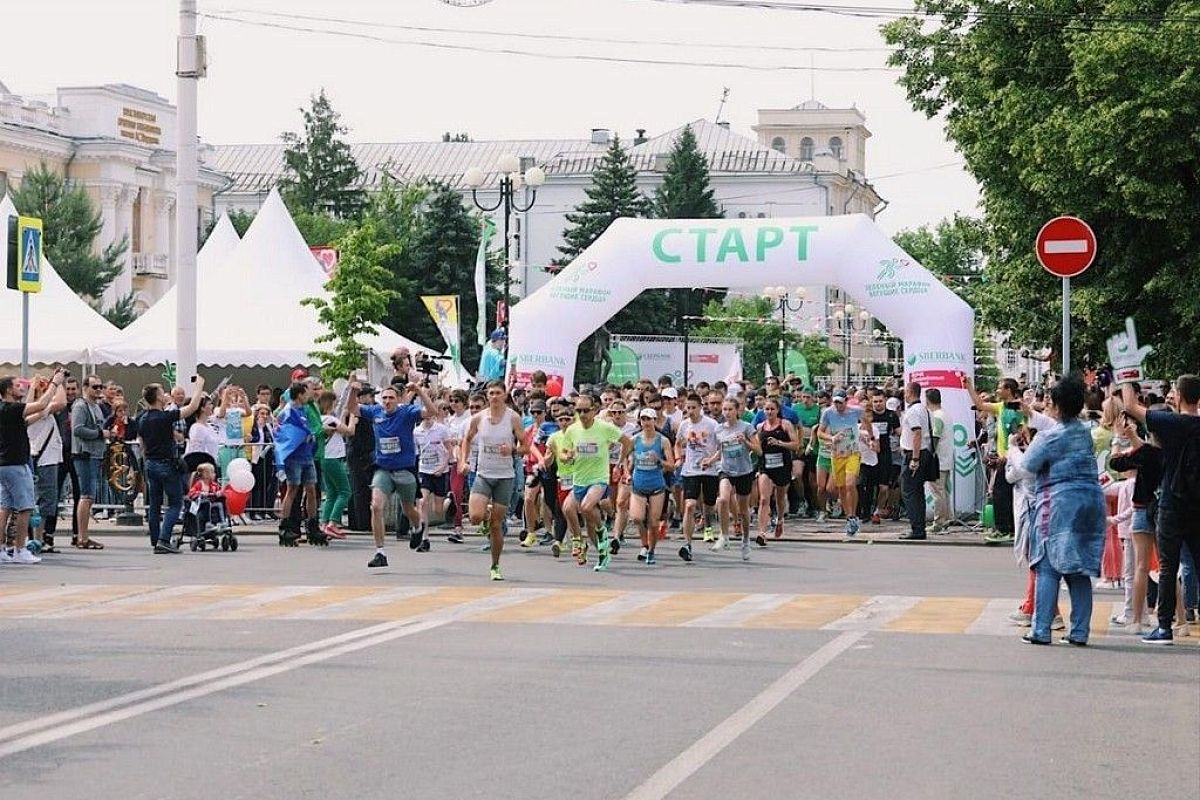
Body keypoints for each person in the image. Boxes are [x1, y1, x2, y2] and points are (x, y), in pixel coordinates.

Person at [1020, 373, 1106, 646]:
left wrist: (1015, 449)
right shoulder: (1086, 431)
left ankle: (1041, 629)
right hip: (1091, 501)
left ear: (1056, 405)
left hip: (1058, 504)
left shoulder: (1050, 436)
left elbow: (1028, 466)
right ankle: (1080, 631)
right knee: (1078, 570)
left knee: (1048, 567)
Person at [1120, 374, 1200, 644]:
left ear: (1177, 395)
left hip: (1171, 504)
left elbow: (1130, 405)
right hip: (1197, 506)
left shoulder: (1170, 423)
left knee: (1168, 566)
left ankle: (1164, 627)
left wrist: (1126, 372)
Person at [350, 382, 434, 567]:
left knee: (408, 510)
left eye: (391, 398)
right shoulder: (375, 412)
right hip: (383, 468)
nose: (387, 401)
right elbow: (352, 408)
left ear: (398, 400)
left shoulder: (407, 412)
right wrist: (353, 391)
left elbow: (431, 411)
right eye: (385, 398)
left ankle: (418, 526)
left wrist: (419, 391)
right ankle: (380, 552)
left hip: (404, 469)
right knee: (376, 507)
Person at [459, 381, 526, 580]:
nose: (494, 396)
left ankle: (495, 565)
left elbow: (526, 447)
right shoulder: (479, 418)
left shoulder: (513, 418)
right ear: (487, 396)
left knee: (497, 525)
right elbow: (467, 440)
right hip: (484, 473)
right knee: (475, 517)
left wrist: (512, 450)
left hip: (505, 477)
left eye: (498, 393)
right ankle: (485, 513)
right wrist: (463, 461)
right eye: (491, 393)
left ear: (505, 395)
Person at [558, 392, 629, 572]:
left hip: (598, 479)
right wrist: (567, 457)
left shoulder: (604, 427)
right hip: (579, 479)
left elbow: (627, 442)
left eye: (585, 411)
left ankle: (602, 531)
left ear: (594, 410)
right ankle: (580, 541)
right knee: (567, 508)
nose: (581, 415)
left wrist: (620, 463)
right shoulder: (573, 430)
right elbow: (564, 452)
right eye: (578, 411)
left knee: (587, 507)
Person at [1, 372, 66, 564]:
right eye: (17, 385)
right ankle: (21, 549)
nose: (21, 387)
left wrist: (42, 412)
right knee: (25, 508)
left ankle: (2, 549)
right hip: (16, 464)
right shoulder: (12, 409)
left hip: (4, 464)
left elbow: (29, 418)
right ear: (8, 390)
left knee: (5, 507)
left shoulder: (6, 409)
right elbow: (41, 404)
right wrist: (55, 382)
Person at [137, 378, 206, 553]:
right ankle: (163, 539)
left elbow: (142, 443)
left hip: (150, 463)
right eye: (162, 392)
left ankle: (156, 540)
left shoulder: (143, 417)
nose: (165, 394)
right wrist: (198, 387)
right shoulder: (163, 417)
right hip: (166, 464)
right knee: (176, 503)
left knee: (155, 504)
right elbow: (191, 408)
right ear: (158, 398)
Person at [962, 376, 1024, 543]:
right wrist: (969, 387)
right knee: (1003, 494)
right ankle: (1009, 529)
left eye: (1000, 387)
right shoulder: (1000, 407)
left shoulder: (1018, 409)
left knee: (1001, 494)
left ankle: (1005, 529)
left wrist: (1011, 452)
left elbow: (1023, 432)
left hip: (1012, 459)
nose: (997, 390)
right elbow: (981, 405)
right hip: (1004, 458)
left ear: (1008, 390)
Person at [710, 397, 762, 560]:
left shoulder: (746, 427)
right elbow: (720, 451)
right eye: (724, 409)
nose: (727, 413)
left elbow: (758, 450)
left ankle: (745, 541)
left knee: (743, 511)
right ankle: (724, 535)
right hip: (726, 469)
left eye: (730, 409)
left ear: (737, 410)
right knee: (723, 500)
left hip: (744, 471)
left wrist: (745, 441)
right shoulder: (718, 429)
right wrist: (710, 461)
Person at [274, 382, 321, 546]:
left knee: (311, 490)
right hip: (294, 457)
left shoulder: (302, 410)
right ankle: (285, 526)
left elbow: (306, 428)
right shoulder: (288, 411)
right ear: (300, 394)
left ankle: (312, 524)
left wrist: (311, 436)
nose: (309, 395)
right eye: (307, 392)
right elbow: (285, 433)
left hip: (306, 455)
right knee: (292, 489)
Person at [675, 393, 721, 562]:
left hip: (709, 470)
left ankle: (708, 523)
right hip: (690, 470)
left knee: (709, 504)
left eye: (694, 407)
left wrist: (711, 460)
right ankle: (687, 543)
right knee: (689, 505)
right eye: (688, 408)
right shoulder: (684, 425)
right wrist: (679, 457)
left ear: (701, 407)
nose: (691, 411)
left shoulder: (711, 424)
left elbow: (721, 447)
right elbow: (678, 443)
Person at [628, 406, 674, 566]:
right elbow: (627, 458)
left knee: (654, 522)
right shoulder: (635, 440)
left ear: (655, 420)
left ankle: (651, 551)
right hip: (638, 483)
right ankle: (644, 545)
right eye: (643, 419)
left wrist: (659, 460)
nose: (646, 422)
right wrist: (626, 471)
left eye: (649, 419)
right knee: (637, 517)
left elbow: (671, 465)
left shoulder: (663, 441)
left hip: (656, 484)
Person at [70, 375, 110, 548]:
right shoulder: (81, 406)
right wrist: (100, 434)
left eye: (100, 386)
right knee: (86, 496)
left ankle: (84, 535)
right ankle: (82, 537)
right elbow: (77, 429)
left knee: (89, 496)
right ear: (86, 388)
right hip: (84, 454)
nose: (99, 390)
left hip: (95, 453)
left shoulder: (97, 407)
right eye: (95, 387)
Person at [820, 391, 864, 536]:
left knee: (850, 484)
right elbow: (820, 432)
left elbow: (867, 421)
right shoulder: (828, 413)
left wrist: (869, 437)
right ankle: (849, 518)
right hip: (837, 454)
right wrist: (831, 437)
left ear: (846, 401)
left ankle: (853, 515)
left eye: (840, 402)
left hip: (853, 452)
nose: (837, 405)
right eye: (835, 402)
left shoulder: (855, 412)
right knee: (841, 488)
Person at [756, 398, 800, 541]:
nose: (769, 412)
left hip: (782, 465)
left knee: (780, 497)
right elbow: (756, 446)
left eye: (772, 409)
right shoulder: (760, 427)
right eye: (767, 409)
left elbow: (795, 445)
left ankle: (780, 520)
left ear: (778, 410)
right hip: (766, 466)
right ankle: (762, 533)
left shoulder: (785, 424)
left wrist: (779, 443)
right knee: (764, 499)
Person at [318, 390, 354, 540]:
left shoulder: (322, 419)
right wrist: (352, 417)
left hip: (325, 457)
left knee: (332, 492)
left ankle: (324, 522)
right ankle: (333, 522)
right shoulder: (329, 419)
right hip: (332, 458)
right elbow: (349, 431)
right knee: (345, 491)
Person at [899, 381, 933, 540]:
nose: (904, 395)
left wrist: (915, 458)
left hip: (914, 454)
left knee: (910, 492)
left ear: (910, 392)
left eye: (905, 391)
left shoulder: (913, 411)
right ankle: (919, 528)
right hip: (922, 453)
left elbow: (917, 434)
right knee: (917, 492)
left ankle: (917, 528)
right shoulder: (923, 409)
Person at [925, 388, 955, 531]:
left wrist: (929, 455)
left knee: (937, 492)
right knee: (944, 491)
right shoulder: (947, 415)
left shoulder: (936, 416)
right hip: (946, 458)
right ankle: (947, 518)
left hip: (937, 460)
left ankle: (939, 522)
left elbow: (935, 437)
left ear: (927, 400)